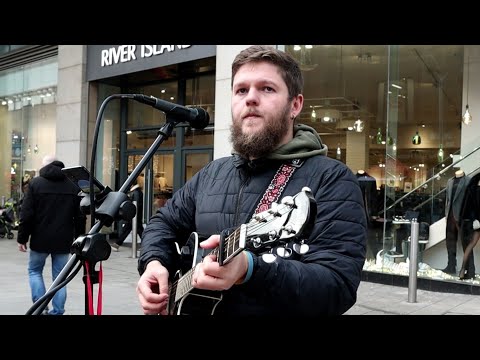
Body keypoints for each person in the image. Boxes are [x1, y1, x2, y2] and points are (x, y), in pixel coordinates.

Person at [136, 45, 367, 316]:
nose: (251, 99)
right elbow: (162, 223)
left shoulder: (331, 179)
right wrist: (154, 262)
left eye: (267, 88)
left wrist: (252, 269)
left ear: (295, 105)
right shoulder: (213, 173)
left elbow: (337, 287)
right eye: (241, 90)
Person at [17, 155, 86, 315]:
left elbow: (26, 214)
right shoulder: (72, 185)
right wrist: (79, 237)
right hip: (63, 240)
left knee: (34, 271)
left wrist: (22, 238)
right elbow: (80, 216)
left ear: (45, 166)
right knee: (60, 277)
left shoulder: (36, 184)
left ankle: (40, 309)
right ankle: (58, 311)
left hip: (39, 239)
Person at [442, 169, 470, 274]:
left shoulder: (468, 180)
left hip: (462, 216)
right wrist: (446, 213)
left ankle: (468, 268)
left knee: (466, 243)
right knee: (450, 242)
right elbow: (447, 200)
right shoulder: (450, 181)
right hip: (450, 216)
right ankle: (451, 265)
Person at [111, 179, 144, 251]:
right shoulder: (137, 192)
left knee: (129, 229)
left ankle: (117, 244)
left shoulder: (136, 192)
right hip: (135, 216)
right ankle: (117, 244)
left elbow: (135, 205)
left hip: (134, 216)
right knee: (132, 230)